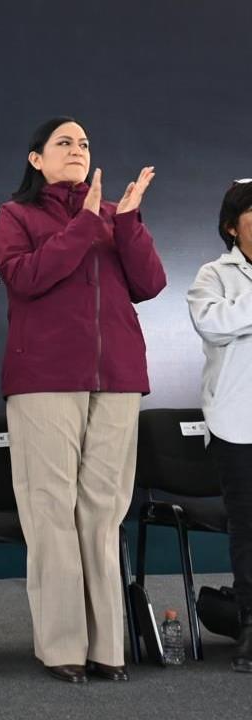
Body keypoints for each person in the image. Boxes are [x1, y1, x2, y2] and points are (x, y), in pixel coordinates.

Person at [0, 116, 165, 683]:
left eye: (85, 143)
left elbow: (149, 284)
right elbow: (28, 277)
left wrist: (129, 220)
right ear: (36, 159)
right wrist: (86, 223)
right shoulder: (17, 216)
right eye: (63, 142)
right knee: (52, 510)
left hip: (116, 377)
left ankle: (107, 646)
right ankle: (63, 645)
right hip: (44, 378)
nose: (77, 149)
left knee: (102, 511)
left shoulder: (115, 215)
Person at [186, 178, 252, 673]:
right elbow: (212, 323)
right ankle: (250, 622)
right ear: (232, 227)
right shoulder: (213, 274)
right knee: (248, 529)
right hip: (237, 422)